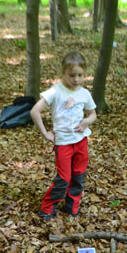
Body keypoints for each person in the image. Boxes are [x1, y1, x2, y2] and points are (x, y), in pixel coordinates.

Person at [30, 51, 97, 220]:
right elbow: (35, 111)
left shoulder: (84, 93)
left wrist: (86, 122)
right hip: (64, 143)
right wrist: (45, 133)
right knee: (64, 178)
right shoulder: (55, 91)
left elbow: (93, 114)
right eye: (72, 75)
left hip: (81, 141)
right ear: (63, 73)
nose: (76, 79)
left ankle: (71, 207)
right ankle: (47, 208)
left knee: (78, 176)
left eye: (80, 75)